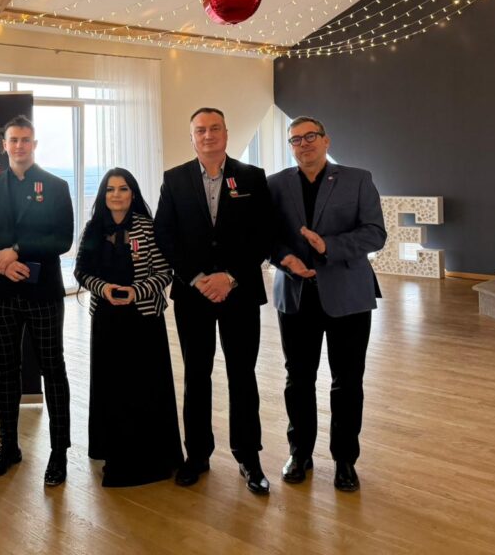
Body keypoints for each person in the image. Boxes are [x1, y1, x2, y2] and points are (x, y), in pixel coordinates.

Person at [153, 107, 273, 494]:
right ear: (192, 137)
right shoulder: (174, 179)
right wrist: (198, 278)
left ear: (226, 133)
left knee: (243, 375)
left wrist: (231, 277)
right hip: (194, 295)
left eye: (215, 128)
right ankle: (197, 455)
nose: (208, 135)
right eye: (201, 130)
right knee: (196, 375)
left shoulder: (252, 177)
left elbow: (263, 234)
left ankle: (248, 456)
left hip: (240, 293)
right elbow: (165, 235)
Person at [267, 116, 386, 493]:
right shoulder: (275, 184)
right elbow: (265, 235)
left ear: (326, 140)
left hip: (348, 294)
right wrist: (284, 258)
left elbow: (375, 233)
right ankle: (299, 453)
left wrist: (328, 246)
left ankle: (345, 460)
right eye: (295, 139)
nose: (304, 144)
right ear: (290, 146)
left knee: (347, 380)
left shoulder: (358, 179)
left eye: (310, 137)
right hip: (295, 294)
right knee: (298, 378)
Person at [0, 114, 74, 486]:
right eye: (13, 140)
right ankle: (8, 446)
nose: (19, 146)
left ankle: (59, 452)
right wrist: (0, 263)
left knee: (53, 370)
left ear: (34, 144)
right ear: (4, 145)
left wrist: (16, 250)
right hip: (1, 292)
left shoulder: (56, 186)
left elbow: (63, 239)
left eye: (25, 140)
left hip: (42, 293)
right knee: (5, 371)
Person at [74, 168, 182, 487]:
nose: (116, 195)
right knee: (113, 386)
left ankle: (151, 454)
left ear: (132, 194)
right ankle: (114, 450)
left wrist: (137, 291)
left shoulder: (148, 228)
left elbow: (164, 273)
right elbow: (81, 271)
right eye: (110, 189)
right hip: (107, 319)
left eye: (123, 189)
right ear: (103, 195)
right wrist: (104, 288)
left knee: (145, 386)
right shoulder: (93, 228)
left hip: (143, 319)